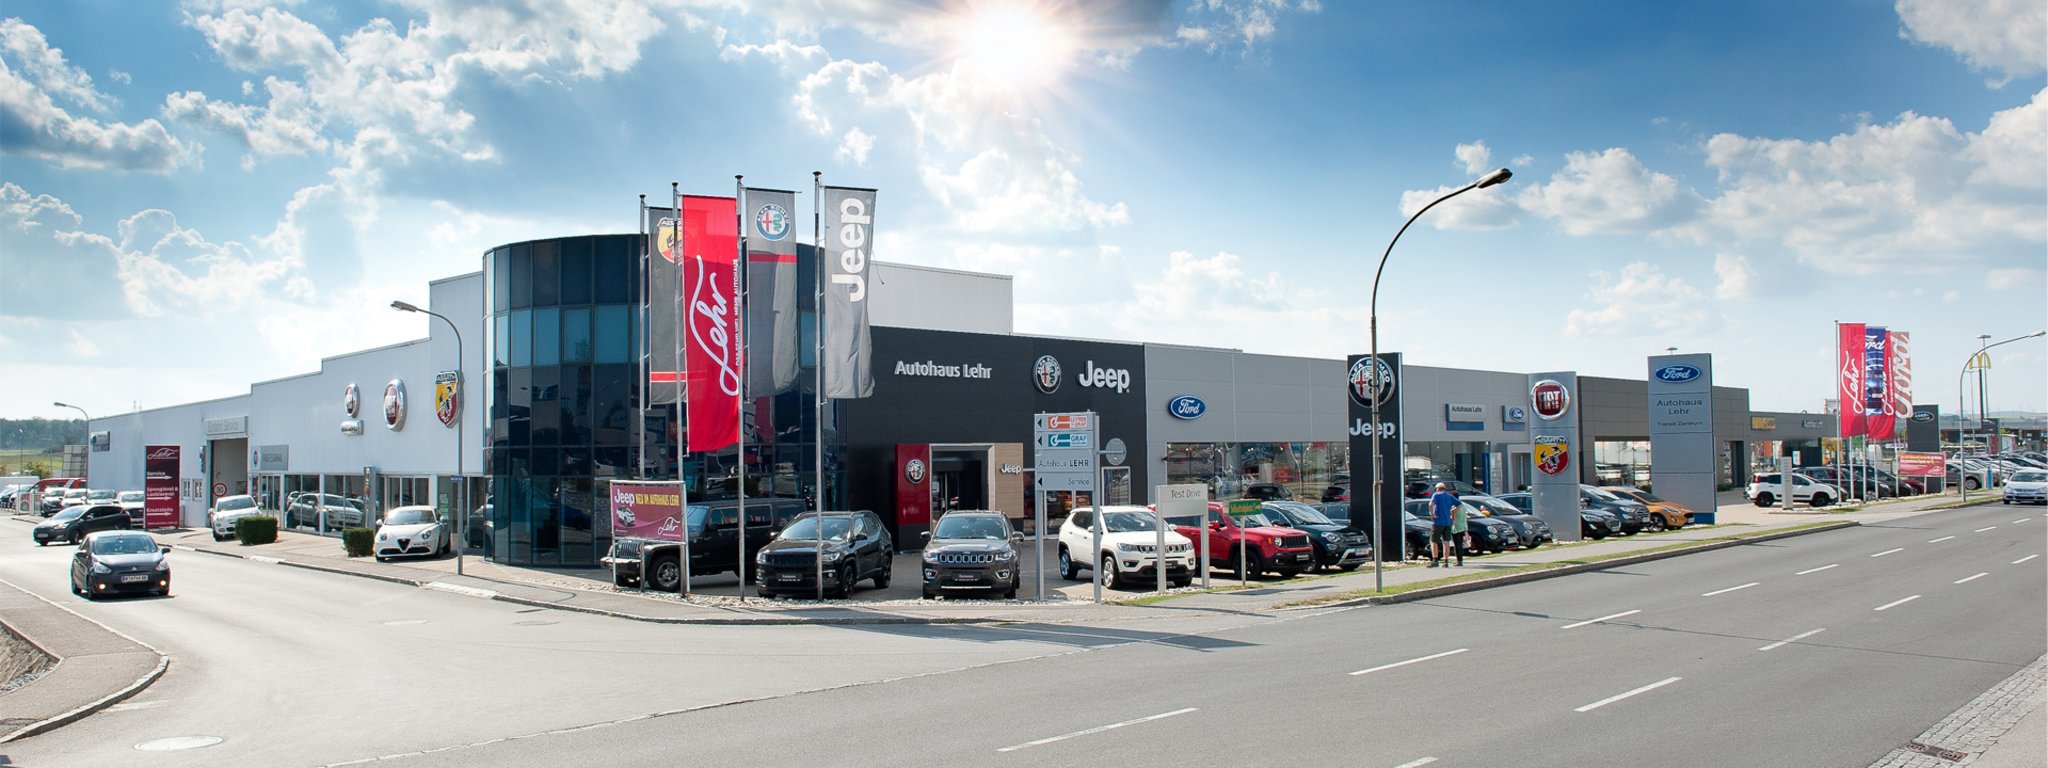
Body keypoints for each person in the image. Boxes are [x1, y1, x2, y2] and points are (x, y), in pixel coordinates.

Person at [1428, 482, 1456, 567]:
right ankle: (1445, 561)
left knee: (1433, 541)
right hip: (1447, 522)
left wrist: (1431, 514)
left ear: (1437, 489)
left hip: (1438, 522)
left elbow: (1430, 504)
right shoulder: (1449, 496)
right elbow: (1459, 504)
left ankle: (1435, 560)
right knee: (1446, 541)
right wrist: (1452, 512)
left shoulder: (1436, 495)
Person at [1448, 490, 1468, 567]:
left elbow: (1453, 519)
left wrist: (1451, 514)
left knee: (1457, 545)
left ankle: (1459, 561)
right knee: (1460, 544)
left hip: (1456, 527)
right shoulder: (1463, 505)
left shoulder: (1455, 507)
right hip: (1462, 526)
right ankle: (1460, 560)